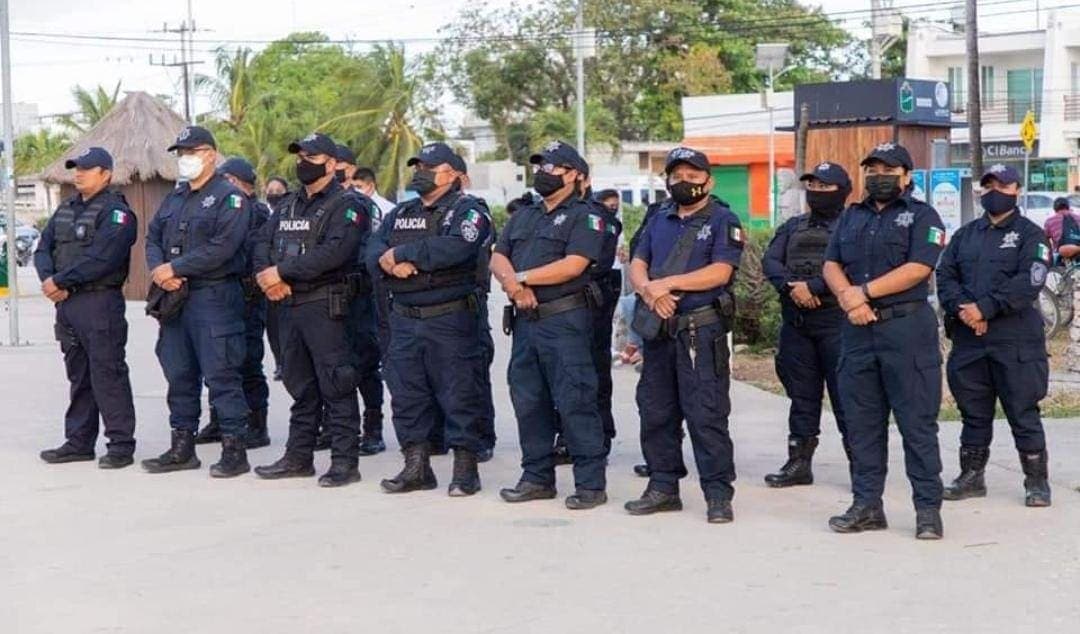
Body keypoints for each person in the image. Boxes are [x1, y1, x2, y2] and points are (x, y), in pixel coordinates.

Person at [822, 142, 946, 540]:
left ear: (906, 176)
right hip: (858, 332)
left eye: (888, 170)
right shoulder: (851, 216)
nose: (879, 177)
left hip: (906, 332)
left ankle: (927, 510)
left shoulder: (923, 216)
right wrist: (849, 298)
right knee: (862, 425)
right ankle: (867, 506)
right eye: (872, 170)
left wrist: (864, 293)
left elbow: (919, 267)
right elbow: (831, 264)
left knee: (917, 425)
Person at [623, 147, 743, 523]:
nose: (684, 182)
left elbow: (720, 271)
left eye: (693, 176)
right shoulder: (658, 216)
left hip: (698, 330)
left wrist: (667, 284)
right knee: (656, 410)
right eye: (677, 176)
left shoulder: (723, 219)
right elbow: (638, 261)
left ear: (709, 181)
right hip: (659, 329)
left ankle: (718, 494)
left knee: (706, 413)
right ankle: (663, 487)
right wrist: (649, 291)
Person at [367, 142, 493, 495]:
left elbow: (457, 247)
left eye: (429, 168)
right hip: (404, 317)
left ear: (452, 174)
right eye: (418, 167)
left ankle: (465, 470)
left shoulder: (468, 211)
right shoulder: (401, 212)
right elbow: (373, 248)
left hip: (450, 318)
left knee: (460, 394)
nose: (420, 173)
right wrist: (389, 262)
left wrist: (402, 253)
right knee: (408, 394)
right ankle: (417, 466)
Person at [490, 140, 608, 510]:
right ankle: (537, 477)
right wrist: (513, 286)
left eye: (552, 167)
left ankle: (590, 484)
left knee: (576, 400)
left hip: (564, 320)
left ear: (574, 175)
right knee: (529, 400)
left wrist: (522, 278)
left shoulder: (586, 216)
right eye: (540, 166)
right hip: (526, 322)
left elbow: (574, 264)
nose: (543, 173)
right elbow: (497, 256)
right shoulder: (526, 214)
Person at [251, 133, 367, 487]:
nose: (303, 163)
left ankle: (345, 462)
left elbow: (335, 253)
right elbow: (262, 242)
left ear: (331, 164)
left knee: (337, 383)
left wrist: (282, 272)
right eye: (300, 156)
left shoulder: (347, 205)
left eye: (311, 157)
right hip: (287, 303)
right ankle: (298, 457)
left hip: (325, 305)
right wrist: (268, 277)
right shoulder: (287, 204)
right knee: (299, 384)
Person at [936, 164, 1052, 507]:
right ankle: (971, 477)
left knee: (1023, 411)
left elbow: (1030, 281)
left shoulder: (1031, 235)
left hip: (1015, 341)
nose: (995, 192)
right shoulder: (965, 235)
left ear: (1017, 190)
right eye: (989, 186)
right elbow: (945, 276)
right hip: (970, 340)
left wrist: (985, 309)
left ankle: (1036, 482)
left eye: (1003, 185)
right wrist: (965, 310)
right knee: (973, 412)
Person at [142, 126, 252, 478]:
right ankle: (182, 447)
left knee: (222, 375)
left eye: (190, 152)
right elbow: (152, 237)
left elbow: (224, 247)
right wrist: (160, 270)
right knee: (179, 373)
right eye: (181, 153)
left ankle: (234, 450)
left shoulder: (230, 198)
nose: (184, 159)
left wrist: (176, 267)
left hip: (213, 297)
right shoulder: (175, 197)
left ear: (210, 155)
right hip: (175, 299)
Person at [34, 147, 138, 468]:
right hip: (67, 304)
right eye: (76, 168)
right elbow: (43, 248)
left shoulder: (116, 213)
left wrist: (60, 281)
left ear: (105, 174)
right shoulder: (65, 209)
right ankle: (79, 441)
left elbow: (103, 258)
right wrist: (49, 280)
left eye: (86, 169)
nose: (78, 174)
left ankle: (120, 445)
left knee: (108, 373)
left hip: (99, 302)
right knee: (78, 374)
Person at [761, 161, 852, 487]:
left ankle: (862, 466)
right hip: (797, 324)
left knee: (847, 398)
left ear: (842, 191)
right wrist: (792, 288)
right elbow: (771, 260)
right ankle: (799, 464)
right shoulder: (793, 226)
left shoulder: (854, 226)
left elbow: (855, 266)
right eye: (812, 186)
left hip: (837, 324)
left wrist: (814, 287)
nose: (816, 192)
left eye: (824, 187)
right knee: (801, 397)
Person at [193, 157, 273, 449]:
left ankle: (257, 424)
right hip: (223, 295)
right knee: (217, 363)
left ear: (236, 182)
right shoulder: (221, 208)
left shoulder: (257, 213)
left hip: (248, 296)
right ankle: (219, 419)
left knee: (248, 361)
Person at [263, 176, 289, 379]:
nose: (273, 194)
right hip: (267, 279)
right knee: (273, 327)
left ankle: (289, 362)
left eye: (278, 191)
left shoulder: (290, 213)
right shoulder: (263, 213)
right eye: (270, 191)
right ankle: (280, 362)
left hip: (287, 276)